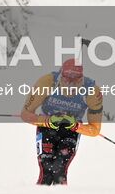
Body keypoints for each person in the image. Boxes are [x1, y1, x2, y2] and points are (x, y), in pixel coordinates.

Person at [19, 57, 103, 185]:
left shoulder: (92, 91)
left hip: (70, 131)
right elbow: (25, 114)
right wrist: (48, 120)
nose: (70, 85)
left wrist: (75, 125)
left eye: (76, 81)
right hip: (47, 128)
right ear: (60, 75)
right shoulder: (47, 82)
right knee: (46, 171)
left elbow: (94, 130)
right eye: (66, 79)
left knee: (59, 170)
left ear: (82, 79)